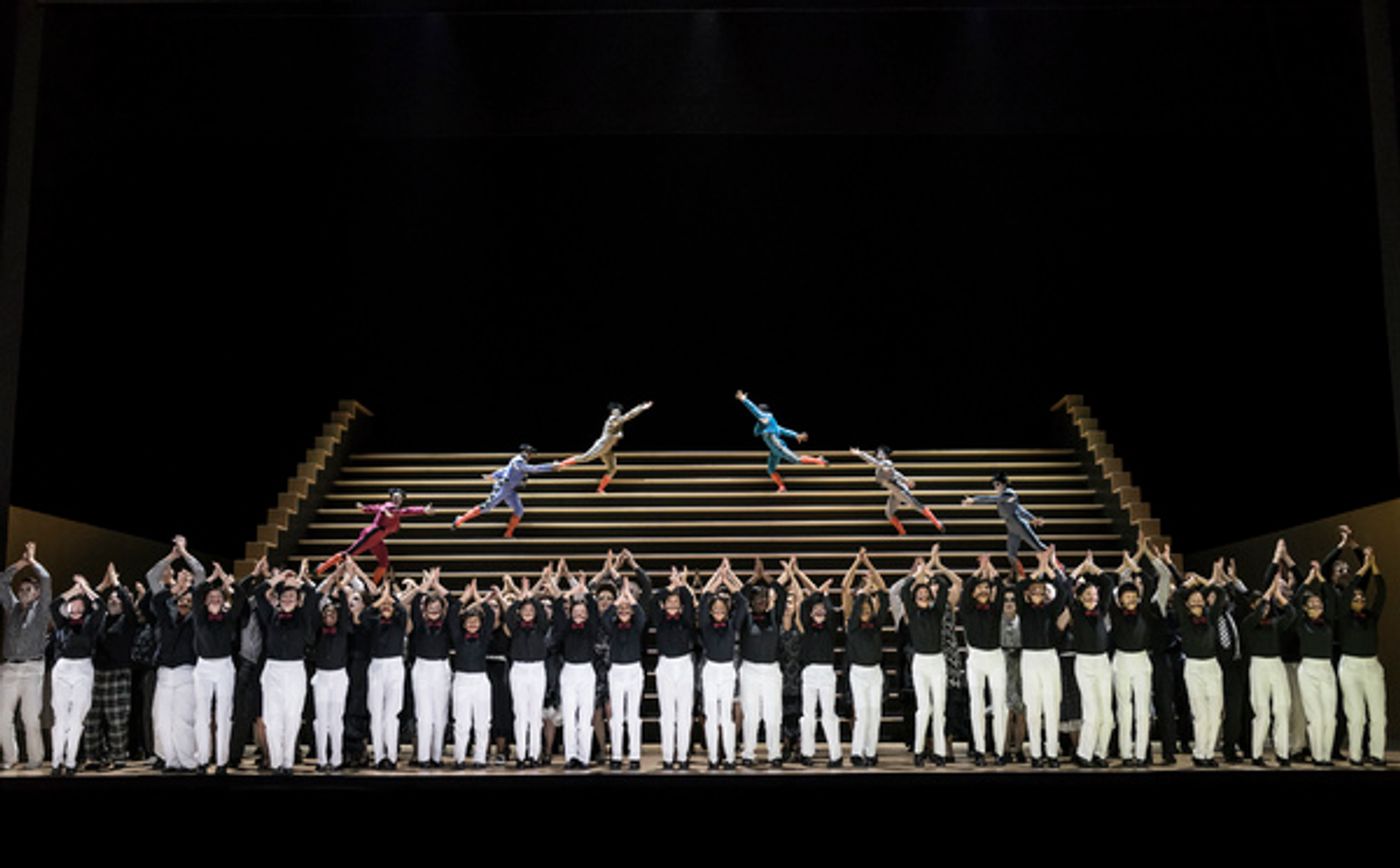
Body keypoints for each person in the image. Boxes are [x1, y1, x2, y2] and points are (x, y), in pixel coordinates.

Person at [146, 539, 205, 773]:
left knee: (182, 721)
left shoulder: (198, 608)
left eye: (186, 579)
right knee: (162, 722)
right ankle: (171, 761)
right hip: (164, 671)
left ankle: (189, 762)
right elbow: (152, 577)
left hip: (186, 671)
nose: (183, 580)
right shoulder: (166, 605)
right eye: (180, 577)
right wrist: (171, 557)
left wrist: (185, 553)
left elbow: (200, 572)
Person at [1107, 545, 1167, 768]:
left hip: (1141, 660)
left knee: (1143, 711)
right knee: (1124, 709)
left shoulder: (1145, 612)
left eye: (1134, 595)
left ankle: (1141, 755)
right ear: (1120, 599)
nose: (1130, 598)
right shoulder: (1115, 612)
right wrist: (1127, 565)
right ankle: (1125, 753)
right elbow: (1111, 581)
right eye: (1126, 596)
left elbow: (1150, 584)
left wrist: (1137, 566)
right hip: (1121, 660)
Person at [256, 562, 317, 775]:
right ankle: (275, 763)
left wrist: (298, 583)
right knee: (272, 718)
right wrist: (278, 579)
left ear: (297, 600)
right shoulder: (270, 615)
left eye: (292, 597)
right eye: (284, 597)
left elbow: (312, 594)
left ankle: (288, 762)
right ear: (279, 600)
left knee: (292, 716)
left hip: (295, 669)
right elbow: (258, 592)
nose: (288, 600)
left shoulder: (303, 616)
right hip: (272, 668)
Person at [901, 546, 959, 766]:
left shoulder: (936, 611)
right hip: (921, 663)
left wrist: (932, 569)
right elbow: (905, 590)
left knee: (940, 709)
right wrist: (919, 574)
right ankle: (918, 751)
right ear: (916, 598)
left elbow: (944, 587)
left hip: (937, 662)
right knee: (923, 709)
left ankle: (940, 753)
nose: (923, 597)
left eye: (926, 594)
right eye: (921, 595)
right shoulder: (913, 613)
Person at [1172, 561, 1229, 767]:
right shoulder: (1185, 619)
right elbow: (1178, 596)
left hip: (1212, 666)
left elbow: (1221, 595)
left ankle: (1208, 752)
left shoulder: (1210, 616)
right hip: (1194, 667)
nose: (1197, 599)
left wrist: (1209, 581)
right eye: (1193, 599)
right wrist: (1191, 584)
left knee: (1215, 713)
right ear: (1188, 604)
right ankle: (1199, 753)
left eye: (1200, 598)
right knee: (1200, 713)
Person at [1060, 553, 1114, 768]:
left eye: (1094, 594)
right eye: (1088, 594)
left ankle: (1100, 753)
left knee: (1106, 715)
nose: (1092, 597)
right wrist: (1080, 569)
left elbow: (1108, 583)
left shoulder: (1102, 610)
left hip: (1102, 661)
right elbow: (1065, 587)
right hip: (1084, 663)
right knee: (1091, 712)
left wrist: (1093, 568)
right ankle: (1084, 754)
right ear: (1081, 598)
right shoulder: (1076, 611)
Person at [1, 541, 52, 769]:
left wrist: (32, 562)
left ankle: (35, 759)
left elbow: (47, 580)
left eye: (28, 589)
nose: (23, 593)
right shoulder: (12, 608)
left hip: (32, 668)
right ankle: (10, 758)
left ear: (37, 593)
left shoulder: (41, 611)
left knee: (30, 718)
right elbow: (2, 581)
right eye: (21, 590)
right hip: (10, 668)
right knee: (2, 718)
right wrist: (19, 565)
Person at [317, 488, 434, 587]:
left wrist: (364, 508)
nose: (397, 499)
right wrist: (422, 510)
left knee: (383, 562)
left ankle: (372, 585)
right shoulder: (390, 506)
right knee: (348, 553)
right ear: (392, 498)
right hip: (371, 534)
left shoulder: (393, 510)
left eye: (399, 498)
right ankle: (322, 568)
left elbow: (376, 508)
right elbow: (396, 510)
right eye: (395, 497)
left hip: (378, 538)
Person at [84, 563, 140, 770]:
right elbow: (89, 605)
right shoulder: (100, 620)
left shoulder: (128, 621)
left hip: (119, 673)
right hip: (97, 673)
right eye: (111, 599)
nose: (114, 600)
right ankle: (93, 756)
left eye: (117, 599)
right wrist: (102, 585)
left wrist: (116, 584)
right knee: (92, 718)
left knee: (117, 718)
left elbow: (127, 601)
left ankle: (118, 755)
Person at [789, 557, 843, 768]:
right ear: (810, 614)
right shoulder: (807, 628)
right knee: (808, 714)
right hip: (809, 672)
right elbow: (806, 601)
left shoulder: (830, 628)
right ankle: (806, 753)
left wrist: (820, 592)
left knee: (829, 714)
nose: (820, 611)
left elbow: (822, 601)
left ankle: (836, 755)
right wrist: (796, 575)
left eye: (822, 609)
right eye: (816, 610)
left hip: (826, 672)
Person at [191, 563, 246, 773]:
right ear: (206, 602)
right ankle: (202, 760)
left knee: (224, 715)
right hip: (203, 666)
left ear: (223, 601)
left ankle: (222, 761)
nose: (215, 600)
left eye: (218, 598)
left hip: (224, 666)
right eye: (211, 598)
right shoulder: (199, 616)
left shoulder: (229, 618)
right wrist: (210, 579)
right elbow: (196, 594)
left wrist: (227, 580)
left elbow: (240, 599)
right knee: (202, 715)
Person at [1240, 566, 1297, 767]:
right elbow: (1256, 616)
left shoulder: (1274, 623)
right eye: (1258, 605)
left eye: (1264, 606)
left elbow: (1291, 614)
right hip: (1259, 665)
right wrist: (1269, 592)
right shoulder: (1249, 623)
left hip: (1276, 663)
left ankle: (1283, 753)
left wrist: (1279, 596)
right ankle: (1257, 754)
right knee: (1261, 711)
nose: (1263, 609)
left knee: (1283, 707)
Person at [1337, 543, 1387, 766]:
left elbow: (1382, 591)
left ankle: (1377, 754)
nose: (1360, 601)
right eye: (1356, 599)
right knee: (1356, 716)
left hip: (1372, 666)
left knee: (1378, 716)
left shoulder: (1371, 616)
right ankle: (1355, 755)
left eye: (1362, 599)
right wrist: (1363, 567)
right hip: (1350, 666)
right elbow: (1349, 589)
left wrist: (1373, 565)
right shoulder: (1344, 616)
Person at [49, 572, 103, 775]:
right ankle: (56, 762)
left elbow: (102, 607)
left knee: (76, 720)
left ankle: (70, 762)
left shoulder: (90, 624)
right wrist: (74, 589)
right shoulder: (62, 623)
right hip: (63, 668)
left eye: (81, 604)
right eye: (73, 604)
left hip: (83, 668)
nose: (77, 607)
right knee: (60, 718)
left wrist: (85, 587)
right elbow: (54, 605)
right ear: (69, 607)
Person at [602, 552, 652, 770]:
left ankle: (634, 756)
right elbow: (604, 617)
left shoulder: (638, 620)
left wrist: (629, 599)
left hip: (634, 669)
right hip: (616, 670)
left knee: (633, 715)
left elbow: (641, 612)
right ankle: (615, 755)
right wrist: (618, 601)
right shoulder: (612, 624)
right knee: (616, 716)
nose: (623, 610)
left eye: (626, 607)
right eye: (620, 608)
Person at [738, 557, 789, 767]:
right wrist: (754, 578)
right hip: (750, 670)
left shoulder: (774, 617)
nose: (760, 601)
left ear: (768, 601)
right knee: (751, 715)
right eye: (756, 598)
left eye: (764, 598)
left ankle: (774, 753)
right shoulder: (745, 618)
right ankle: (748, 753)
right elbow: (740, 596)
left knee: (773, 714)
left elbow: (783, 594)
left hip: (771, 670)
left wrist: (766, 578)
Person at [960, 554, 1009, 765]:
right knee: (977, 704)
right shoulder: (967, 609)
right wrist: (979, 572)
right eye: (980, 589)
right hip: (976, 658)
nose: (984, 591)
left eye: (986, 589)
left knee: (1000, 706)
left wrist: (991, 571)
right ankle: (979, 750)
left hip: (996, 657)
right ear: (973, 593)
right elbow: (965, 590)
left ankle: (1000, 750)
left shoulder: (995, 609)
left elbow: (1001, 589)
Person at [453, 446, 564, 538]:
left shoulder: (519, 462)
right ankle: (461, 519)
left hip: (510, 490)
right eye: (528, 453)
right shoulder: (518, 461)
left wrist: (493, 475)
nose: (529, 455)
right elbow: (534, 469)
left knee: (519, 510)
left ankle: (508, 533)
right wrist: (551, 466)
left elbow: (505, 470)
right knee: (487, 507)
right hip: (503, 487)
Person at [649, 565, 698, 770]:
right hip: (666, 665)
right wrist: (670, 587)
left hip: (684, 664)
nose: (672, 604)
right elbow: (652, 601)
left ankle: (683, 755)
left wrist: (682, 585)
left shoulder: (686, 620)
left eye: (676, 602)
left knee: (684, 713)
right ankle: (668, 756)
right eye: (669, 601)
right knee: (667, 713)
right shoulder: (659, 620)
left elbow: (688, 600)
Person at [503, 568, 554, 767]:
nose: (528, 613)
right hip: (519, 670)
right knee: (520, 713)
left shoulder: (540, 626)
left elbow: (542, 613)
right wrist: (520, 598)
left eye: (530, 611)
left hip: (537, 669)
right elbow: (508, 615)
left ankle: (534, 754)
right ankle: (521, 754)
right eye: (524, 610)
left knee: (535, 714)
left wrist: (531, 597)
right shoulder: (515, 627)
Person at [844, 549, 890, 767]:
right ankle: (856, 752)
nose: (864, 610)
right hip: (858, 672)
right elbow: (849, 593)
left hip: (875, 672)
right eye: (861, 607)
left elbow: (884, 593)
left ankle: (870, 752)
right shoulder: (853, 626)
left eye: (867, 608)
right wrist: (863, 591)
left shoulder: (876, 624)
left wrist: (869, 565)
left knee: (875, 713)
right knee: (861, 712)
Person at [552, 566, 601, 769]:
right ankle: (570, 756)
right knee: (570, 716)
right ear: (571, 612)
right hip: (569, 672)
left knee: (585, 717)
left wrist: (584, 590)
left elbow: (594, 610)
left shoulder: (591, 628)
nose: (579, 614)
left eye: (583, 612)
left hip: (586, 672)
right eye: (576, 611)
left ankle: (584, 756)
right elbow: (557, 608)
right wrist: (571, 593)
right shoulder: (565, 628)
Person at [405, 567, 453, 768]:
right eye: (430, 606)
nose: (434, 609)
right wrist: (425, 587)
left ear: (442, 609)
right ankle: (423, 757)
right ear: (425, 610)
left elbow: (456, 603)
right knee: (423, 714)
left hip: (441, 667)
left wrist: (437, 586)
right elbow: (415, 602)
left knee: (440, 715)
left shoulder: (448, 625)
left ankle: (436, 756)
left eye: (437, 606)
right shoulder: (419, 623)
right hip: (422, 667)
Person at [1293, 560, 1340, 767]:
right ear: (1305, 609)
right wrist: (1308, 580)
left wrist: (1321, 578)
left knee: (1330, 717)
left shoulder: (1327, 622)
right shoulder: (1301, 623)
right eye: (1312, 605)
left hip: (1327, 668)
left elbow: (1331, 596)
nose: (1317, 607)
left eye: (1319, 604)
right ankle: (1318, 756)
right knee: (1315, 716)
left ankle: (1326, 755)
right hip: (1308, 669)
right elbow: (1294, 601)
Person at [700, 559, 745, 769]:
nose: (718, 610)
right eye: (715, 608)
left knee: (726, 716)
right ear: (711, 612)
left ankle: (729, 757)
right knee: (711, 716)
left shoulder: (733, 624)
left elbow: (743, 602)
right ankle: (712, 757)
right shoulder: (706, 625)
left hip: (727, 670)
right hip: (710, 670)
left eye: (722, 608)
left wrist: (729, 578)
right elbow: (704, 597)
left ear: (727, 611)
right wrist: (717, 575)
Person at [735, 390, 828, 492]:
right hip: (774, 451)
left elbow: (754, 411)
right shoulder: (767, 424)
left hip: (779, 447)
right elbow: (782, 431)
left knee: (796, 460)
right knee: (770, 470)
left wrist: (744, 400)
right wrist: (797, 435)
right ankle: (781, 486)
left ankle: (819, 460)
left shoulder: (766, 417)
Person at [310, 564, 355, 772]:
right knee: (321, 720)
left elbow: (345, 610)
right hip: (321, 676)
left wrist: (340, 582)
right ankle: (321, 759)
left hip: (338, 676)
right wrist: (329, 582)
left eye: (332, 613)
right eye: (326, 612)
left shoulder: (344, 629)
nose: (329, 615)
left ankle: (336, 759)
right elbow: (314, 601)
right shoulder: (317, 631)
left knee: (336, 720)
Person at [962, 473, 1047, 579]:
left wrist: (975, 500)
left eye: (996, 484)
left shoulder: (1009, 494)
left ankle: (1051, 570)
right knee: (1011, 553)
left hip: (1018, 524)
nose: (995, 487)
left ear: (1003, 484)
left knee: (1039, 547)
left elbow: (991, 499)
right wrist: (1033, 519)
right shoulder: (1005, 496)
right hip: (1011, 526)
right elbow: (1019, 509)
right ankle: (1019, 576)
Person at [448, 580, 495, 769]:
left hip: (481, 681)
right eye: (469, 621)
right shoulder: (458, 637)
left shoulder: (484, 637)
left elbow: (490, 616)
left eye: (476, 621)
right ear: (464, 623)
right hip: (461, 680)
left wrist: (478, 598)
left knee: (483, 722)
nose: (473, 624)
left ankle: (480, 758)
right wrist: (464, 598)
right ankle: (459, 758)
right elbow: (452, 616)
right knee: (461, 722)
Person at [363, 577, 409, 769]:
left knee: (392, 714)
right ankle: (379, 755)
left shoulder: (399, 621)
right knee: (376, 713)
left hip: (395, 665)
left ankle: (391, 756)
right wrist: (381, 599)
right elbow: (365, 615)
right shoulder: (373, 621)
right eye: (383, 604)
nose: (386, 606)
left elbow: (403, 611)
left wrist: (392, 597)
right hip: (376, 666)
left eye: (389, 604)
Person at [561, 400, 654, 492]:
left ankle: (600, 489)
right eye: (615, 410)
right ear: (611, 412)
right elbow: (629, 415)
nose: (617, 412)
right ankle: (560, 464)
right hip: (601, 446)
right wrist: (641, 407)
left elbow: (624, 420)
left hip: (608, 448)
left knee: (612, 469)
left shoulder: (618, 423)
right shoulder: (612, 419)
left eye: (618, 410)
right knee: (584, 458)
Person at [849, 446, 944, 534]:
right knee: (889, 513)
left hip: (901, 490)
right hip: (894, 492)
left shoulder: (887, 463)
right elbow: (895, 473)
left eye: (881, 452)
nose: (879, 454)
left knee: (918, 506)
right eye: (878, 452)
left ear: (885, 454)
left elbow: (878, 464)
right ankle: (902, 532)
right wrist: (906, 480)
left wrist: (860, 453)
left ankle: (937, 522)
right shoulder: (880, 468)